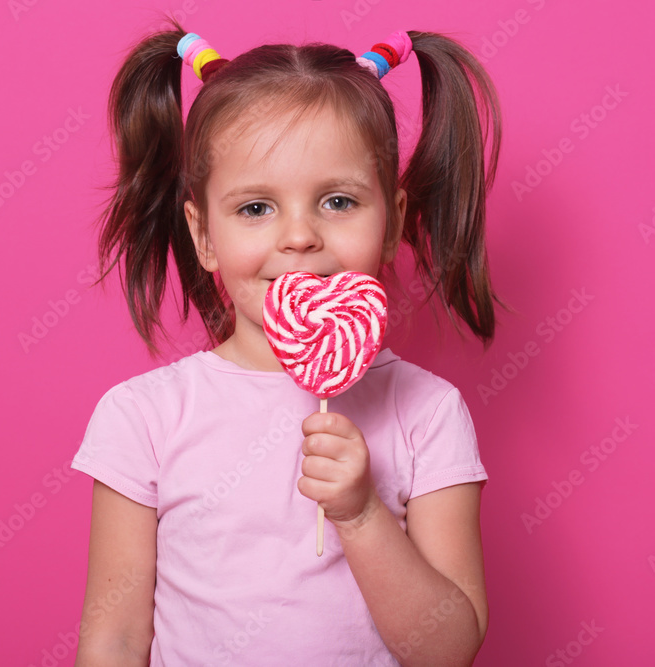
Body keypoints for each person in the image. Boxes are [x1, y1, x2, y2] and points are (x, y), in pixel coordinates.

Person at [71, 16, 508, 666]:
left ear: (391, 221)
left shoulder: (427, 410)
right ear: (204, 236)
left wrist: (360, 515)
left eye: (337, 201)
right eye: (256, 208)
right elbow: (114, 638)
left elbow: (447, 649)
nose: (299, 236)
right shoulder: (145, 417)